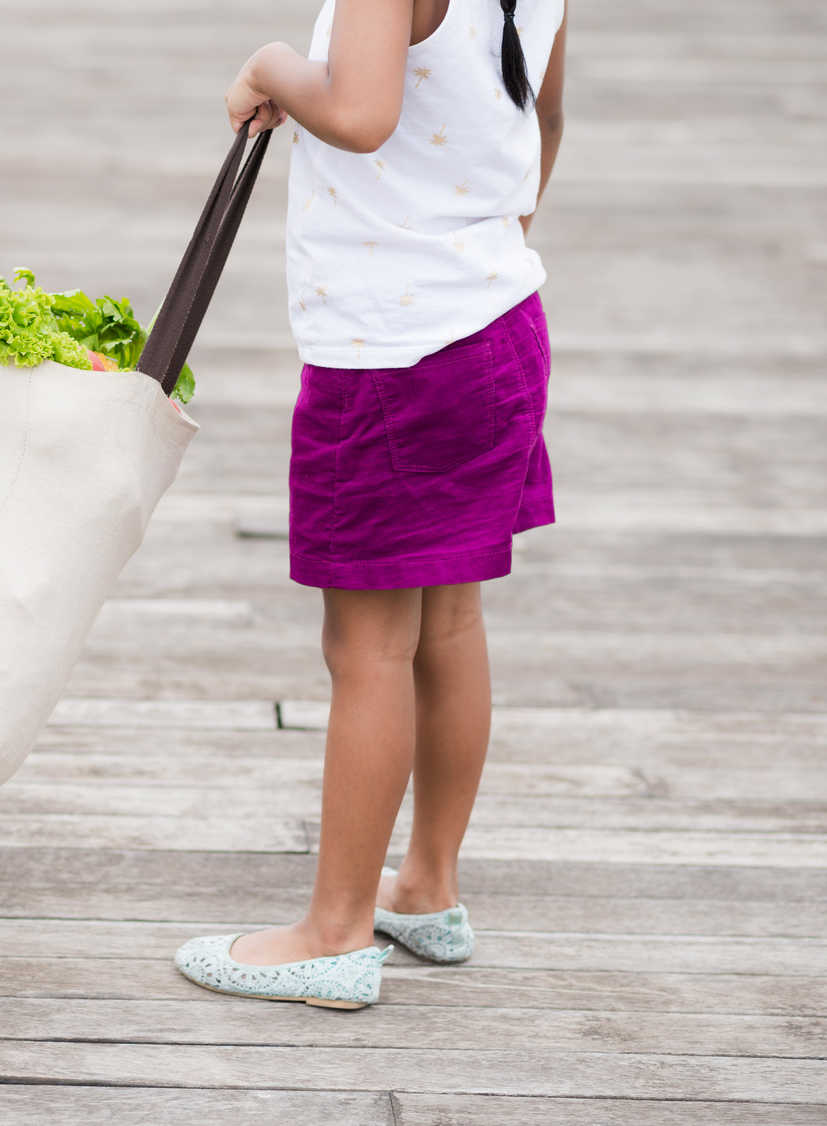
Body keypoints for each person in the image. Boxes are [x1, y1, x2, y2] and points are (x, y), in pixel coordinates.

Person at [174, 0, 567, 1008]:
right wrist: (470, 256)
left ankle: (334, 929)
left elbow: (356, 112)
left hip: (393, 362)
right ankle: (426, 886)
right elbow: (544, 123)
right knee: (448, 625)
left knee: (368, 651)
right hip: (495, 324)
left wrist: (268, 61)